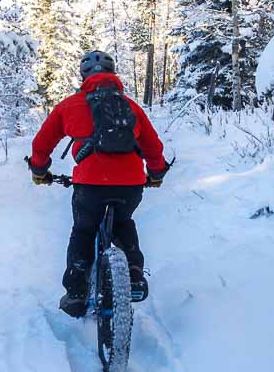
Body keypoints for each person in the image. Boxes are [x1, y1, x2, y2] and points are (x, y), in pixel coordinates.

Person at [26, 50, 171, 318]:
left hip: (90, 185)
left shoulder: (69, 105)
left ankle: (77, 293)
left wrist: (40, 170)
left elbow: (41, 144)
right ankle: (135, 277)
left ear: (83, 76)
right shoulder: (131, 107)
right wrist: (156, 174)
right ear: (113, 74)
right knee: (123, 223)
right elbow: (153, 146)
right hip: (130, 185)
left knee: (84, 230)